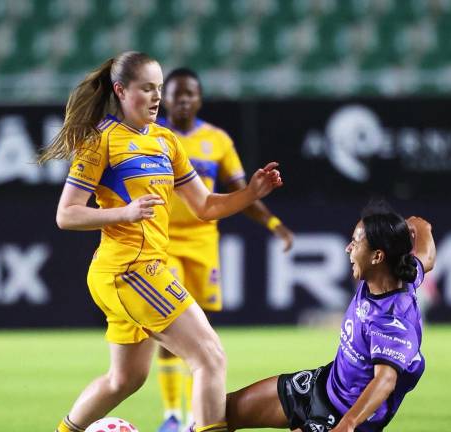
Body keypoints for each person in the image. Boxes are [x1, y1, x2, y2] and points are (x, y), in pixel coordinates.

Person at [37, 51, 283, 432]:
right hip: (129, 270)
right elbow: (66, 214)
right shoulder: (100, 141)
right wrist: (124, 212)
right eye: (147, 88)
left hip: (138, 270)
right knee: (210, 357)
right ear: (120, 91)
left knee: (126, 380)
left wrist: (250, 193)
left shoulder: (166, 141)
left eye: (159, 88)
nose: (156, 97)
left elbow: (204, 205)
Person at [154, 67, 295, 432]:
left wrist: (273, 224)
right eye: (176, 93)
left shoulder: (216, 140)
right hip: (162, 242)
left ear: (199, 99)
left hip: (203, 244)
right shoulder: (154, 137)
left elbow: (241, 192)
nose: (183, 99)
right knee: (172, 323)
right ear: (164, 98)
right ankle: (174, 414)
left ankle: (193, 414)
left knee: (198, 331)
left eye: (190, 94)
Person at [224, 204, 436, 432]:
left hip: (344, 416)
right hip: (322, 385)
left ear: (377, 256)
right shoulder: (399, 273)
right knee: (222, 411)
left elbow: (385, 381)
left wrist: (348, 424)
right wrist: (419, 227)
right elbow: (427, 254)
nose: (348, 248)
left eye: (355, 243)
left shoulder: (394, 320)